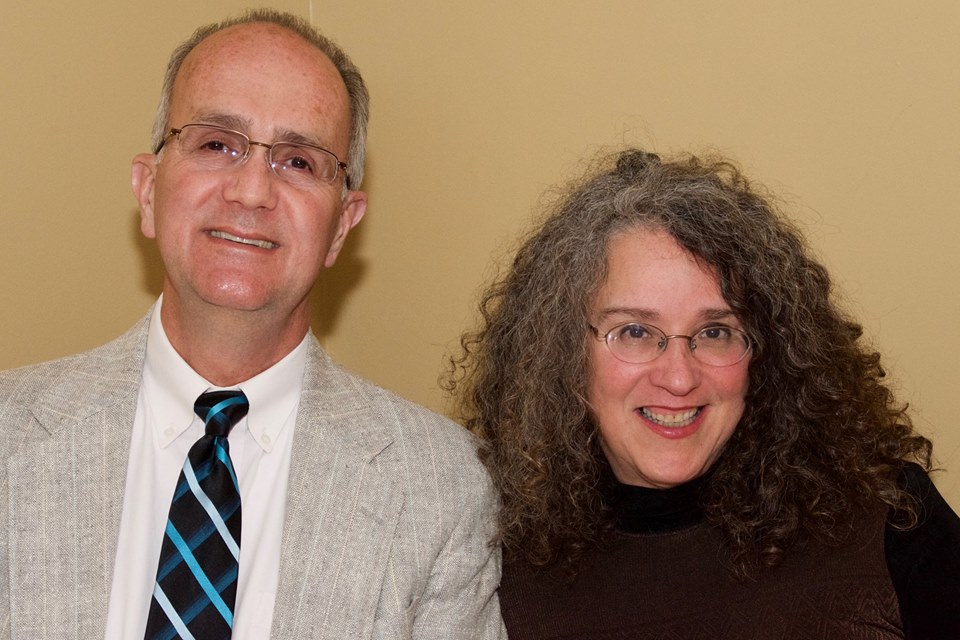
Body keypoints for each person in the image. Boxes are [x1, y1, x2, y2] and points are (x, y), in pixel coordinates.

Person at [0, 9, 504, 640]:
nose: (251, 192)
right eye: (217, 144)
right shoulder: (7, 442)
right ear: (148, 190)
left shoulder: (439, 488)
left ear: (342, 225)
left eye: (298, 161)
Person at [446, 148, 960, 639]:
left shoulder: (887, 516)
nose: (678, 377)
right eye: (634, 332)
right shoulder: (483, 557)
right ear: (561, 355)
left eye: (715, 332)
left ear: (769, 352)